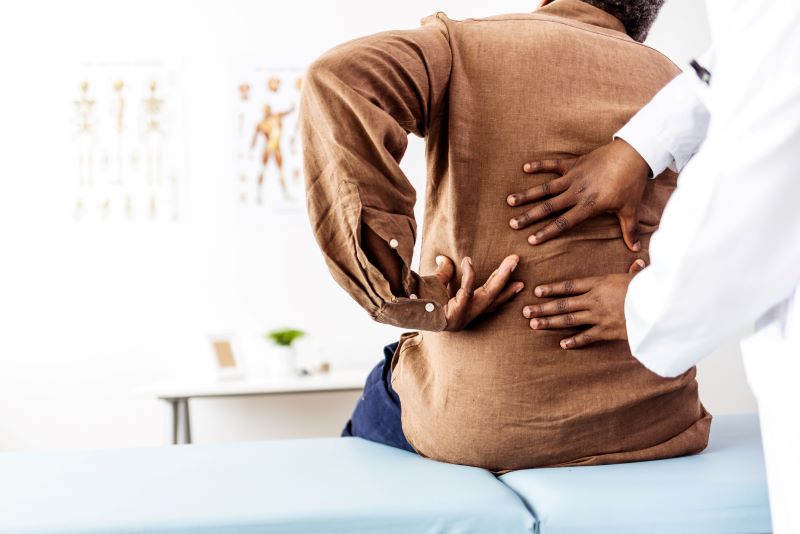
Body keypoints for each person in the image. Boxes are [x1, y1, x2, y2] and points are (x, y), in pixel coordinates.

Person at [301, 0, 711, 472]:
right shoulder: (679, 87)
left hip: (482, 430)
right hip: (655, 422)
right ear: (645, 17)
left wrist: (406, 296)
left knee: (385, 391)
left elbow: (338, 78)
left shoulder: (466, 48)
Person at [511, 1, 799, 529]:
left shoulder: (464, 45)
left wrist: (647, 304)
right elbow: (754, 61)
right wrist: (642, 145)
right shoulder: (663, 68)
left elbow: (766, 154)